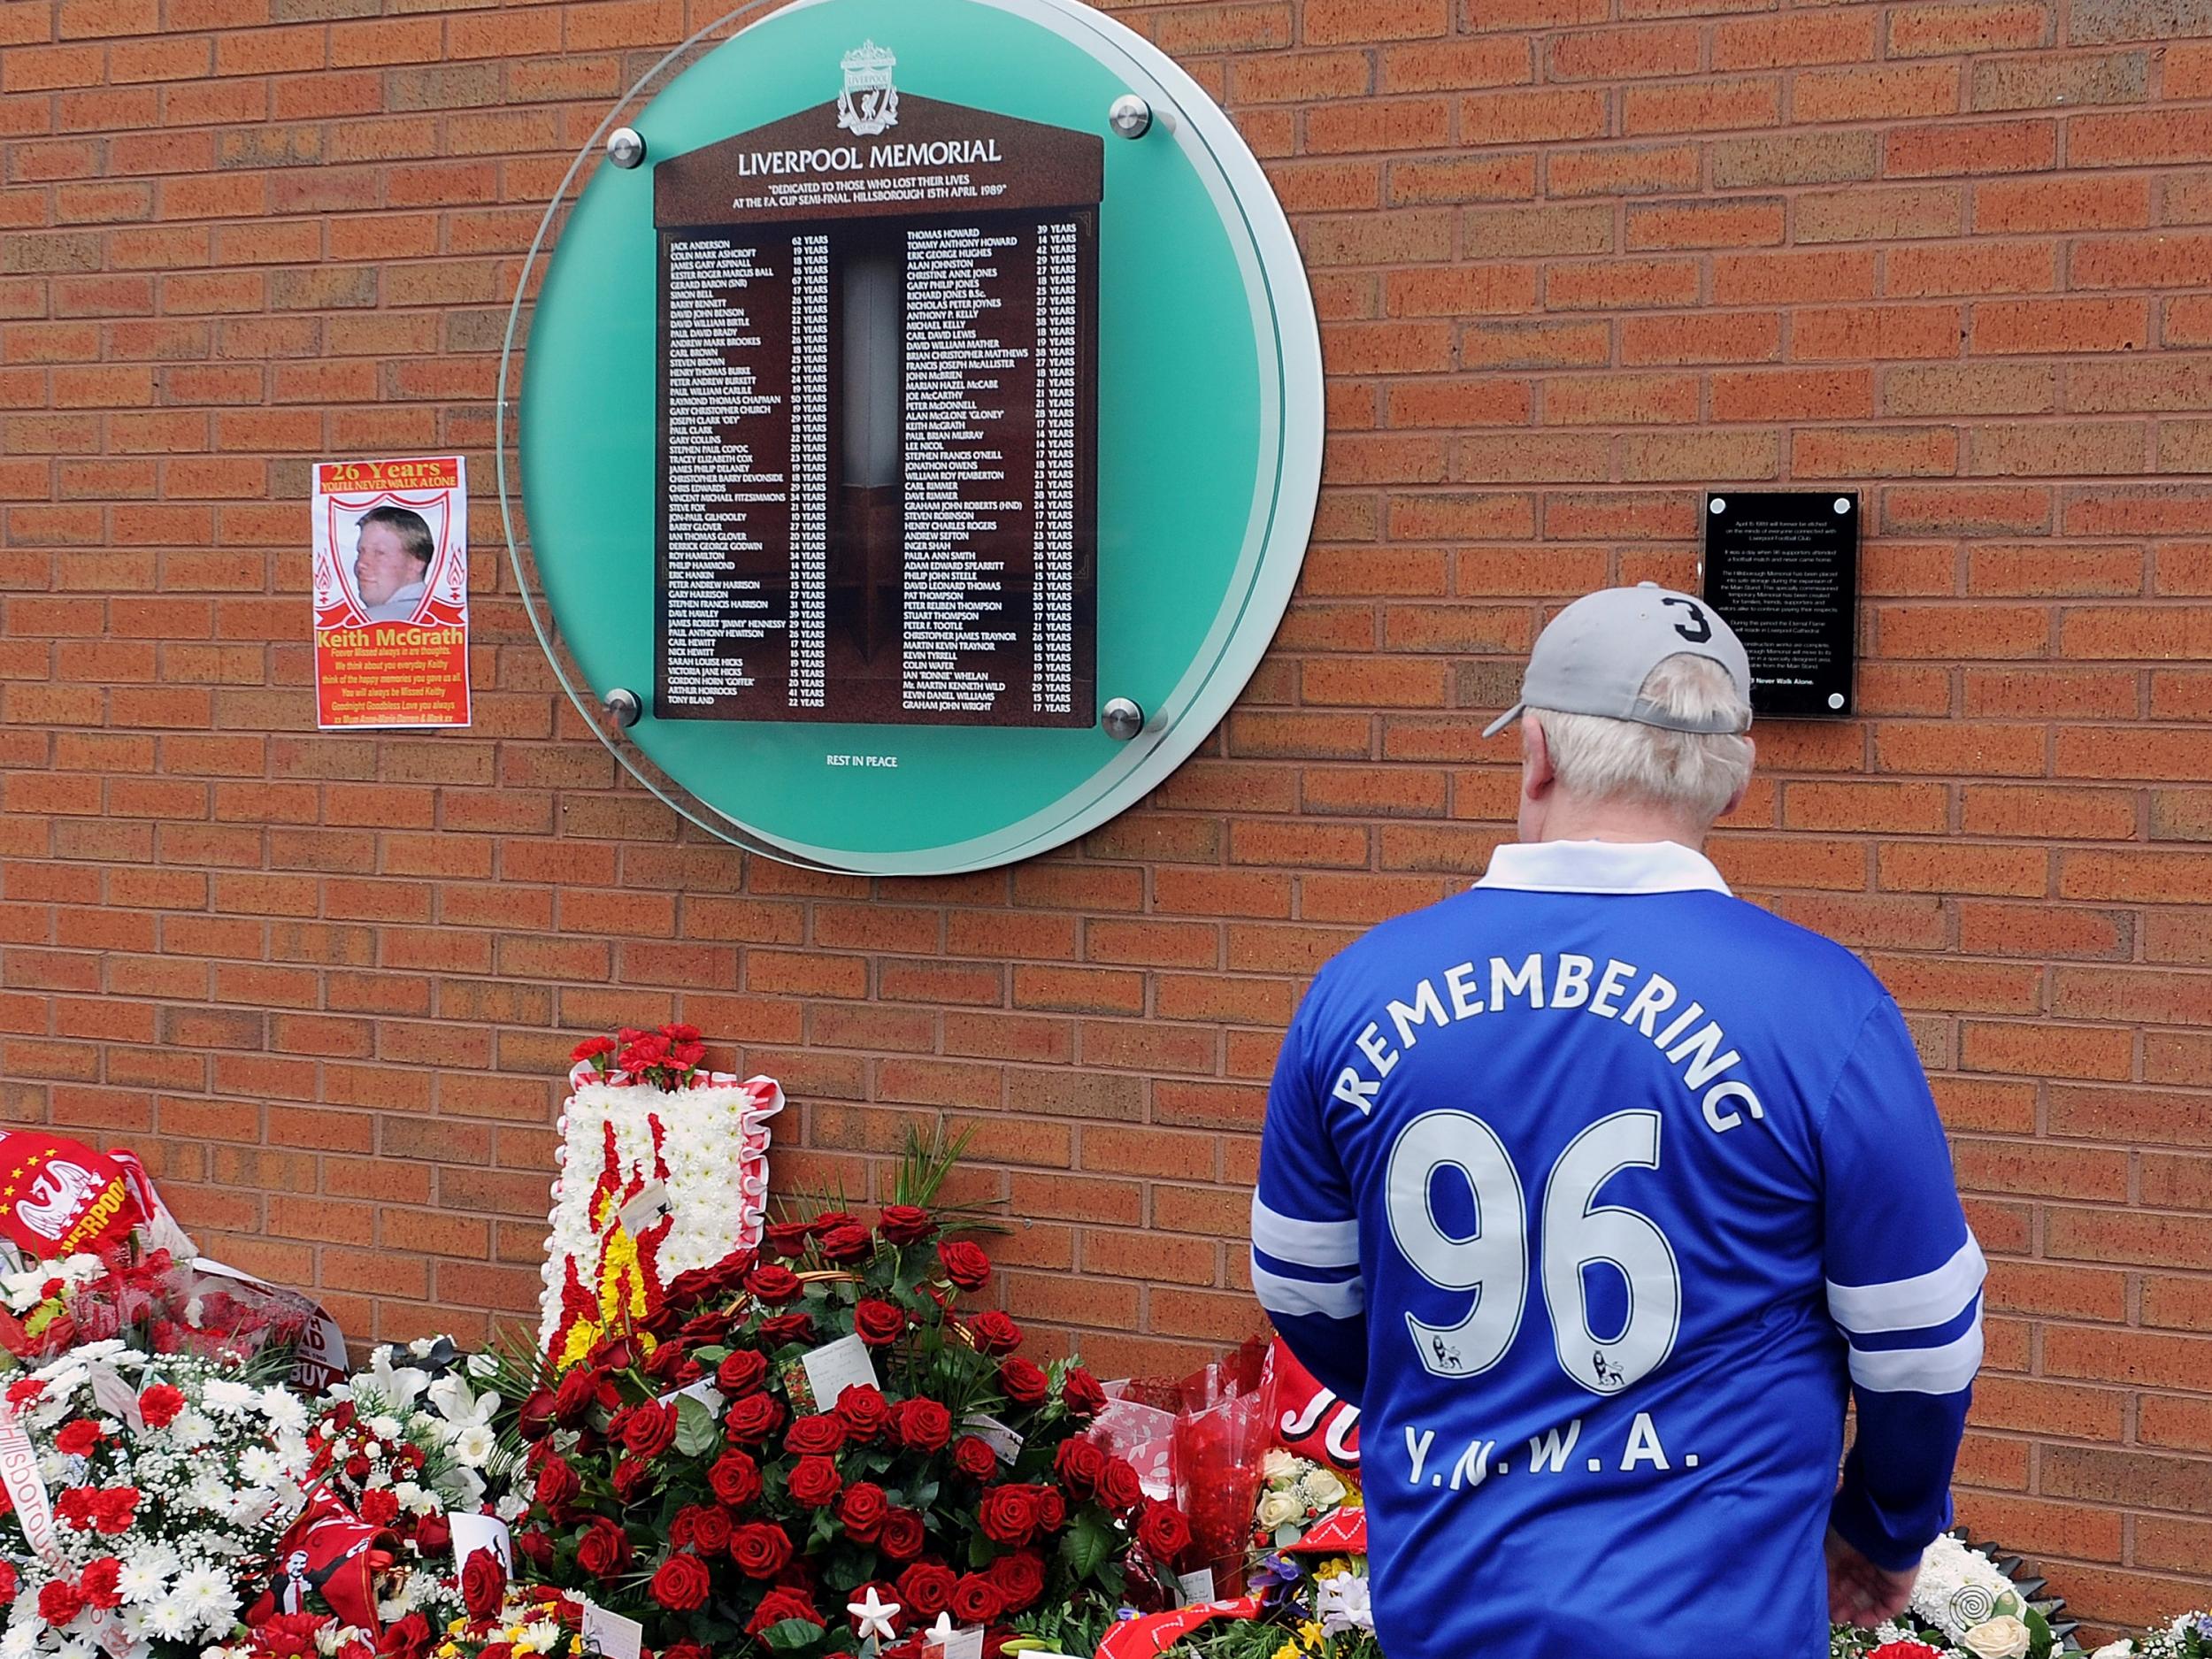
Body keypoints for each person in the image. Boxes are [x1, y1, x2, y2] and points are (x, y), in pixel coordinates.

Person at [1252, 584, 1980, 1657]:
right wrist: (1884, 1524)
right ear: (1729, 780)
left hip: (1453, 1600)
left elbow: (1306, 1292)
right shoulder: (1825, 1008)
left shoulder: (1355, 990)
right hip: (1715, 1615)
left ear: (1536, 751)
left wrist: (1475, 1399)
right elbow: (1918, 1343)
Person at [351, 505, 434, 622]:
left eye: (379, 553)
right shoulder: (446, 619)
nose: (361, 564)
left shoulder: (364, 625)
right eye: (360, 552)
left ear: (417, 563)